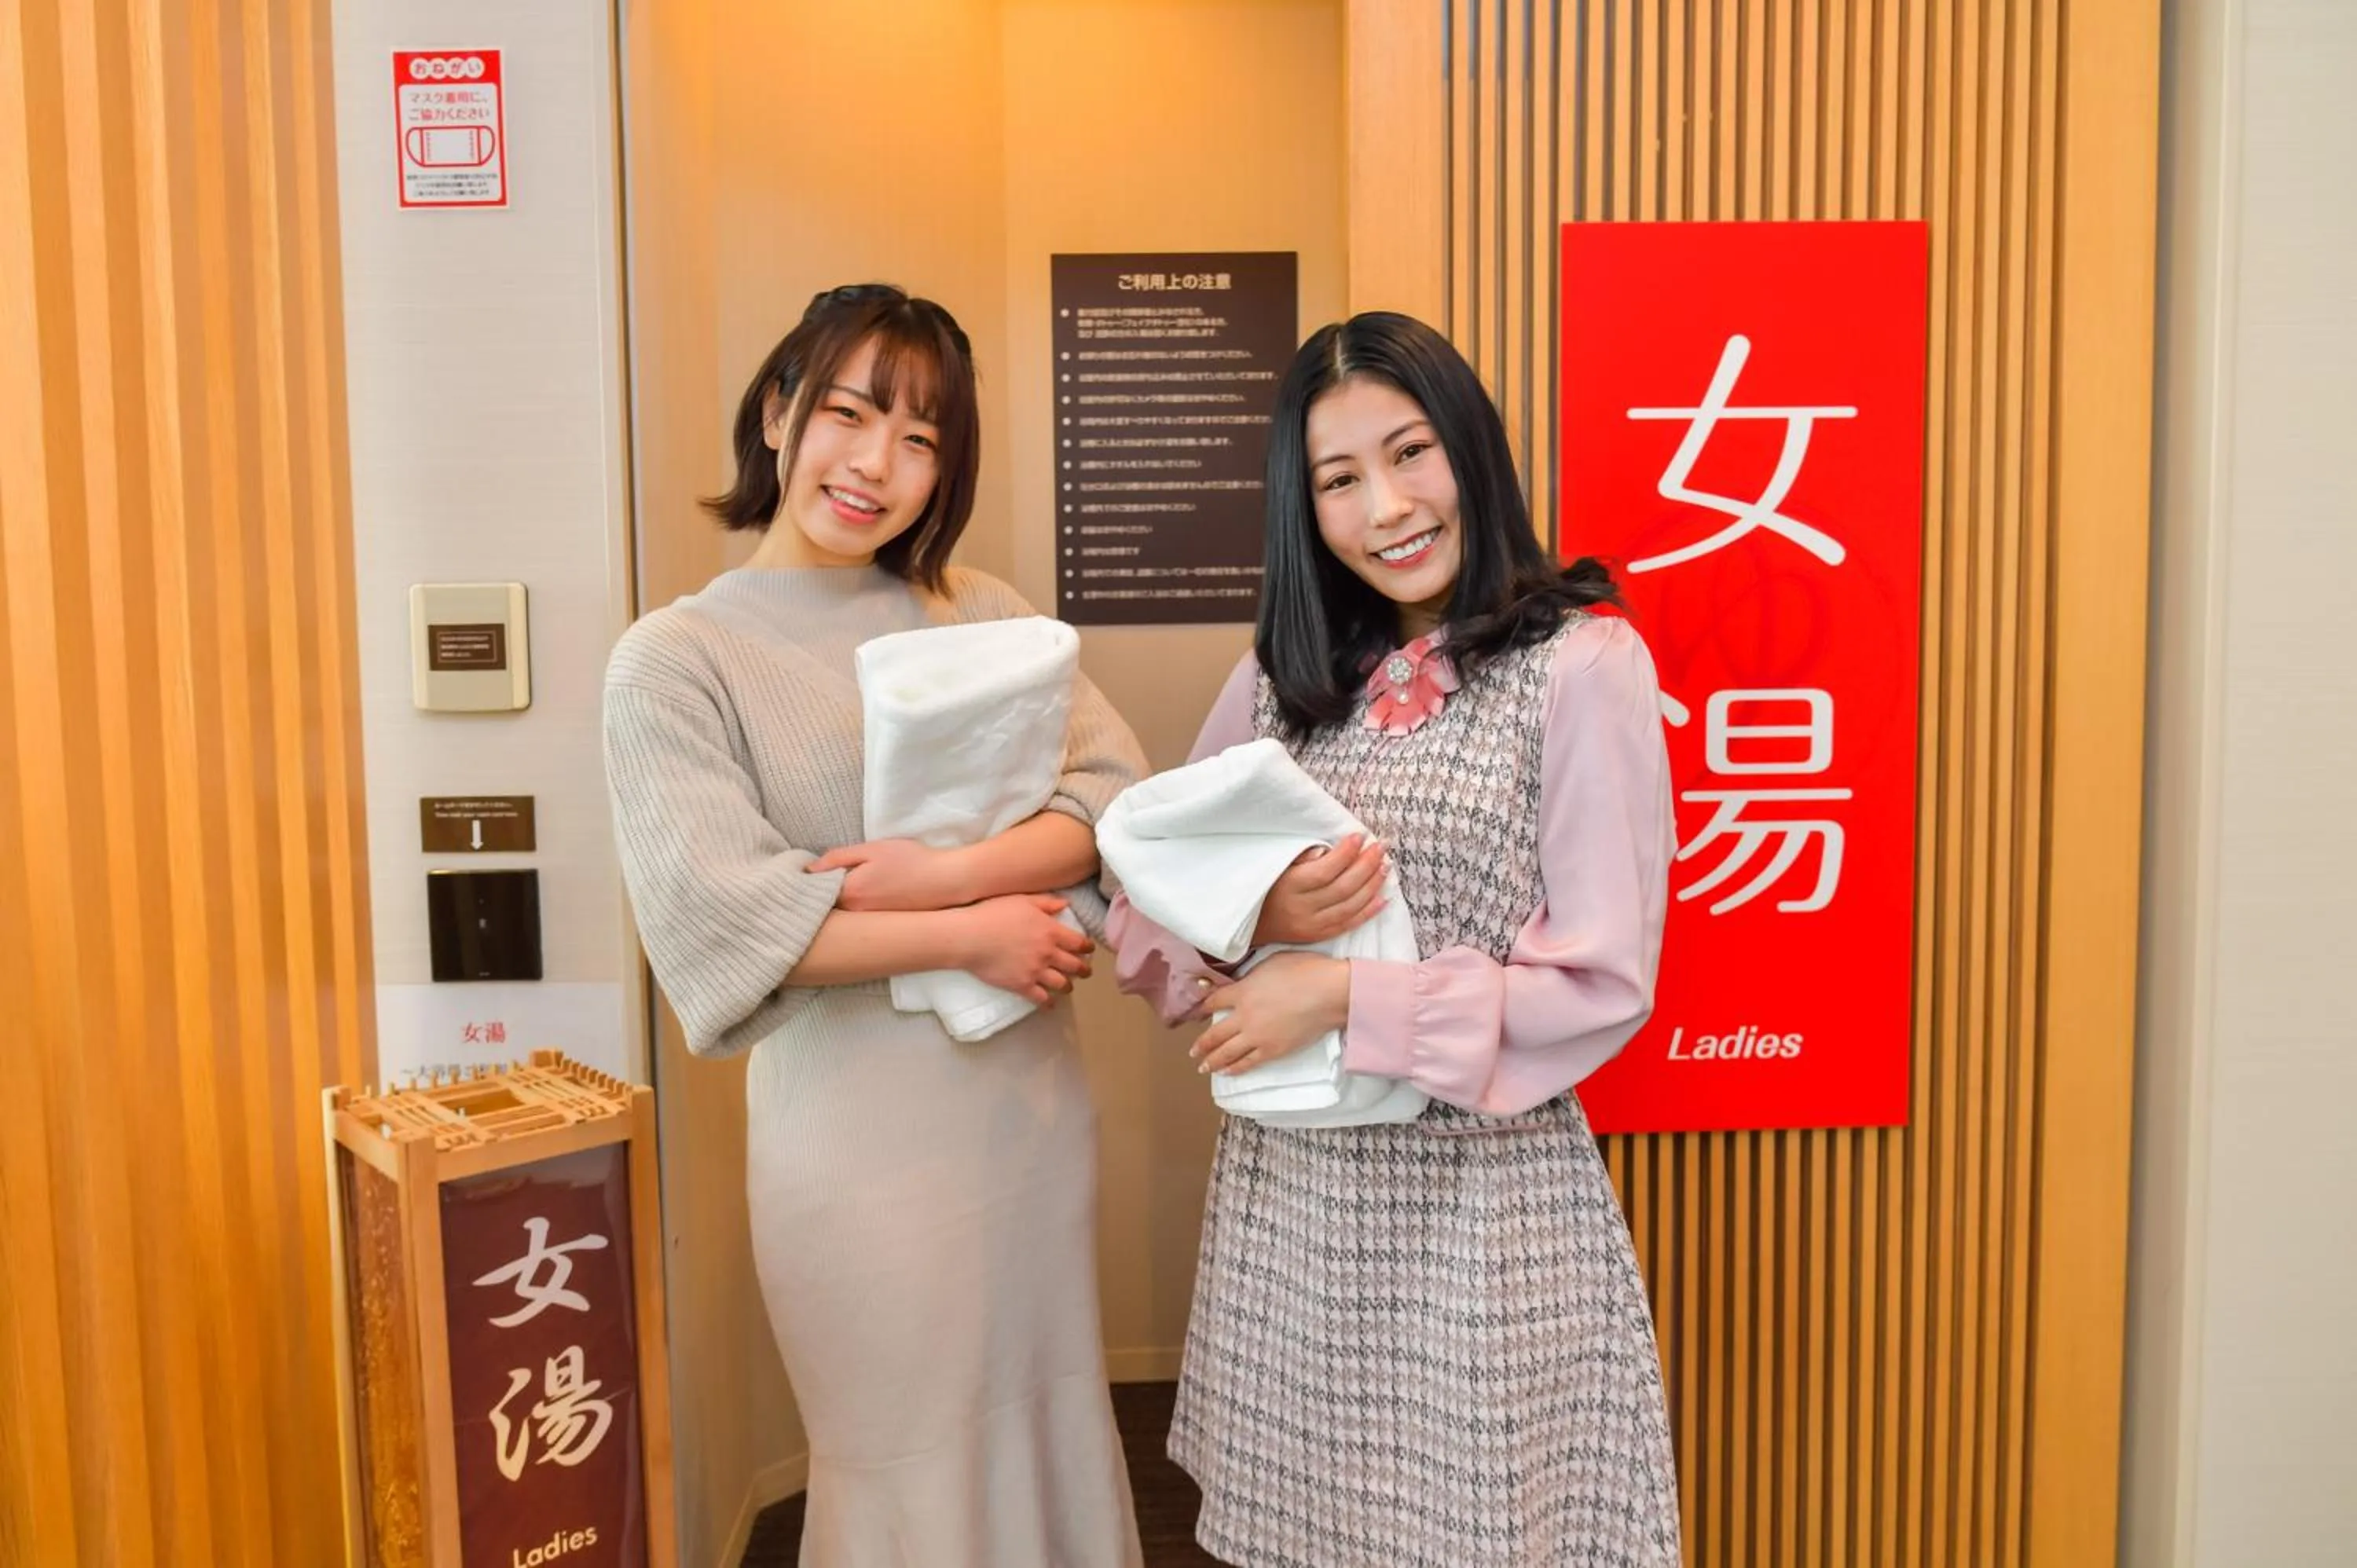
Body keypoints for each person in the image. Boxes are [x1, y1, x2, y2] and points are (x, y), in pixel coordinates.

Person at [1109, 310, 1683, 1567]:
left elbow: (1598, 982)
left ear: (1470, 450)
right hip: (1289, 1211)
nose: (1387, 506)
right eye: (1339, 479)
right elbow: (1142, 897)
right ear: (1301, 507)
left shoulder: (1584, 667)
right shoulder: (1281, 677)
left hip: (1480, 1216)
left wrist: (1333, 997)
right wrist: (1257, 922)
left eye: (1411, 452)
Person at [603, 283, 1146, 1566]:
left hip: (1024, 1123)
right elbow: (723, 924)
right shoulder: (676, 660)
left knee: (1049, 1429)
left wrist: (935, 881)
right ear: (781, 412)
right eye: (851, 414)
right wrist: (972, 935)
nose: (878, 467)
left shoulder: (990, 614)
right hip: (853, 1152)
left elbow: (1112, 799)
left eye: (922, 440)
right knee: (899, 1458)